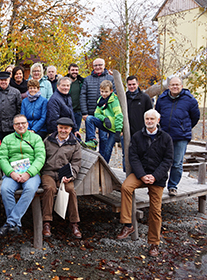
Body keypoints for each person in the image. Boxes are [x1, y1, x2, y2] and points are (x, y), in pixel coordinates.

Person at [116, 109, 173, 257]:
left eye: (152, 119)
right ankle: (128, 224)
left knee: (155, 211)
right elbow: (133, 157)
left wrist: (154, 176)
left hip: (157, 177)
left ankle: (154, 243)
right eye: (147, 119)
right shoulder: (137, 136)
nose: (149, 121)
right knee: (126, 187)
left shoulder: (166, 138)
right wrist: (142, 175)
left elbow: (168, 161)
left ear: (157, 121)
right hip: (141, 174)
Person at [0, 114, 46, 236]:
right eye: (17, 124)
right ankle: (16, 225)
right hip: (12, 173)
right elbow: (2, 158)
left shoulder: (36, 138)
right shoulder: (7, 139)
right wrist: (11, 173)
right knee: (5, 189)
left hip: (31, 173)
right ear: (13, 126)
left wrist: (29, 173)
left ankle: (10, 222)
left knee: (30, 189)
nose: (20, 125)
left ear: (27, 124)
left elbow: (40, 157)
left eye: (23, 123)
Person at [155, 76, 200, 196]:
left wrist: (184, 127)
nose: (175, 87)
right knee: (161, 160)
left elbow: (195, 117)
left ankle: (172, 186)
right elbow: (157, 113)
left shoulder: (190, 100)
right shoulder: (162, 98)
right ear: (169, 86)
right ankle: (158, 184)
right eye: (172, 85)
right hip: (164, 135)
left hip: (181, 136)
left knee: (177, 163)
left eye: (177, 85)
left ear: (181, 86)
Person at [40, 117, 82, 239]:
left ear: (70, 129)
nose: (63, 131)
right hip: (48, 172)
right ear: (57, 128)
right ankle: (46, 222)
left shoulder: (75, 144)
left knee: (70, 190)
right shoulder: (48, 140)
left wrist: (70, 175)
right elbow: (41, 157)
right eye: (61, 128)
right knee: (49, 189)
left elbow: (76, 163)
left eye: (66, 128)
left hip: (64, 174)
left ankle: (74, 223)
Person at [80, 58, 116, 155]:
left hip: (104, 114)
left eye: (100, 65)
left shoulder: (110, 78)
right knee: (90, 138)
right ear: (93, 67)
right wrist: (84, 112)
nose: (98, 67)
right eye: (96, 65)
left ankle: (102, 160)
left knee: (103, 137)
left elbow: (115, 96)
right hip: (91, 112)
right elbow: (83, 96)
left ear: (104, 66)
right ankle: (89, 157)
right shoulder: (87, 79)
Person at [85, 80, 123, 163]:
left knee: (107, 150)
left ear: (111, 91)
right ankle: (92, 140)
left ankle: (105, 166)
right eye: (102, 91)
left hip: (114, 129)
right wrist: (104, 119)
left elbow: (119, 116)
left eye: (106, 92)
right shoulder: (100, 100)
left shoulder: (114, 101)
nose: (104, 94)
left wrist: (118, 131)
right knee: (89, 119)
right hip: (106, 124)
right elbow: (96, 113)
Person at [66, 63, 84, 130]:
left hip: (78, 112)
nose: (75, 72)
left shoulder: (81, 82)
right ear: (69, 71)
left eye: (76, 70)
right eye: (72, 70)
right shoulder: (64, 82)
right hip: (67, 111)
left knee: (76, 131)